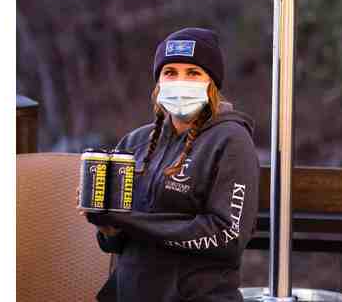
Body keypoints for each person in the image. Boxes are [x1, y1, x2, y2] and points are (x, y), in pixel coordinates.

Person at [79, 27, 260, 302]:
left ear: (212, 83)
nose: (180, 82)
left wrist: (132, 221)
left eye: (193, 73)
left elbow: (228, 238)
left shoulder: (231, 141)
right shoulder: (135, 142)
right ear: (158, 83)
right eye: (170, 72)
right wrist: (107, 227)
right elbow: (116, 242)